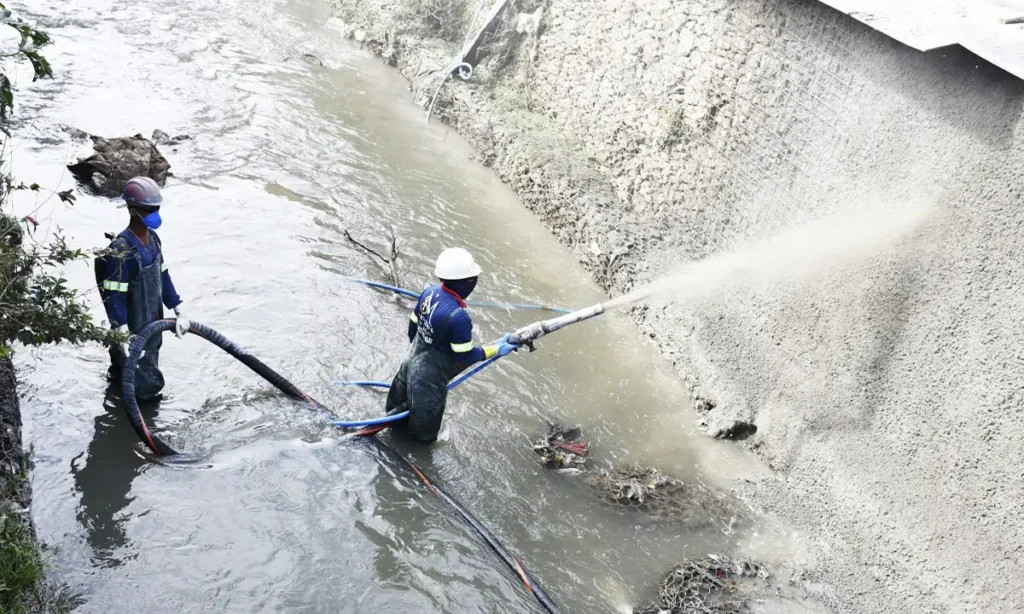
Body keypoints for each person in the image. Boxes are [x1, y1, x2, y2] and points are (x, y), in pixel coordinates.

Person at [384, 248, 520, 442]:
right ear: (468, 282)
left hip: (408, 366)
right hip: (428, 382)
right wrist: (498, 348)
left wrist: (426, 348)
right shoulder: (459, 317)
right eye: (473, 279)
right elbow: (466, 356)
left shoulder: (429, 292)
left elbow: (412, 328)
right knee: (423, 439)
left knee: (393, 423)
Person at [95, 177, 190, 402]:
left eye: (156, 208)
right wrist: (122, 331)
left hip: (152, 326)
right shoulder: (121, 250)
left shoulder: (153, 239)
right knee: (142, 387)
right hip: (133, 333)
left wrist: (178, 309)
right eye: (149, 209)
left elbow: (163, 275)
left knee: (135, 380)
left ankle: (120, 404)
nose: (154, 213)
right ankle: (137, 421)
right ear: (134, 210)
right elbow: (114, 295)